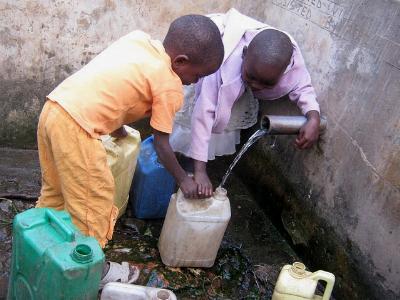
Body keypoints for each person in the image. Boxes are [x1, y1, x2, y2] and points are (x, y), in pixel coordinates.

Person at [35, 14, 224, 286]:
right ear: (180, 62)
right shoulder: (170, 85)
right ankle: (89, 270)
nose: (195, 82)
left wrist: (119, 130)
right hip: (77, 130)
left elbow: (114, 89)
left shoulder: (138, 41)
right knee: (93, 203)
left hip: (53, 109)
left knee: (55, 190)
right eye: (197, 75)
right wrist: (183, 179)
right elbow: (161, 143)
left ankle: (36, 244)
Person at [170, 8, 321, 198]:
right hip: (208, 50)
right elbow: (204, 112)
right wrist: (200, 171)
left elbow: (303, 87)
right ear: (244, 54)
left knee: (227, 119)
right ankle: (185, 163)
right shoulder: (223, 64)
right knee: (191, 115)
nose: (256, 86)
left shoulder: (290, 64)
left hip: (240, 71)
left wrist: (313, 117)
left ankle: (197, 163)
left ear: (284, 73)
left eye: (266, 83)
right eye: (251, 77)